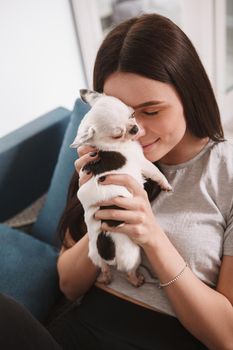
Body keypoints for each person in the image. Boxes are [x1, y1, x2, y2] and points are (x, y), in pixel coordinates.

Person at [0, 13, 233, 350]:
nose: (133, 131)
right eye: (121, 111)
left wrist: (151, 236)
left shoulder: (225, 175)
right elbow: (68, 285)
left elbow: (226, 335)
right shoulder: (101, 154)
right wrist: (99, 216)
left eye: (151, 111)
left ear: (189, 94)